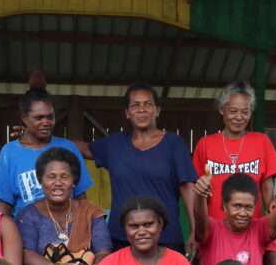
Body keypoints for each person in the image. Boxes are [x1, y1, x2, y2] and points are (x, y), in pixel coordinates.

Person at [78, 83, 198, 255]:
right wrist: (51, 141)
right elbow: (84, 148)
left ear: (157, 110)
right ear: (127, 113)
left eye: (148, 104)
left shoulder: (174, 144)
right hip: (121, 238)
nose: (142, 109)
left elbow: (188, 188)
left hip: (166, 239)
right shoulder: (114, 144)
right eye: (135, 105)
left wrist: (194, 230)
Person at [0, 88, 93, 217]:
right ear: (24, 118)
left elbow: (81, 197)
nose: (45, 122)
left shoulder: (68, 148)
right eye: (39, 118)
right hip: (24, 233)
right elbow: (4, 204)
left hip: (68, 231)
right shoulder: (9, 153)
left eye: (50, 117)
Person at [192, 81, 276, 218]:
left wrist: (271, 206)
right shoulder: (205, 144)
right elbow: (196, 191)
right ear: (222, 110)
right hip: (215, 228)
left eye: (245, 112)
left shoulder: (262, 141)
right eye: (233, 111)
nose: (239, 117)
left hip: (253, 227)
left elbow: (266, 185)